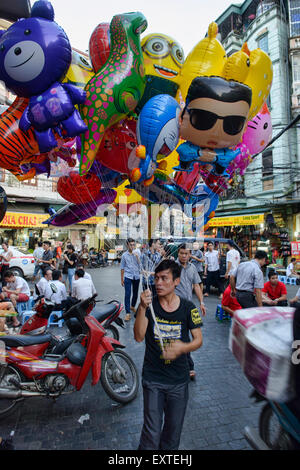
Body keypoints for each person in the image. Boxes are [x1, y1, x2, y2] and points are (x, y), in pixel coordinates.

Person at [134, 259, 203, 450]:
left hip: (179, 382)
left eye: (165, 278)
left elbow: (198, 340)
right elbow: (139, 337)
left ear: (176, 282)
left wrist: (182, 347)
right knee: (151, 434)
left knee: (172, 435)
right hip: (153, 379)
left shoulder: (188, 308)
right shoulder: (150, 305)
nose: (158, 283)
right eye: (156, 278)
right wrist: (141, 308)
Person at [175, 244, 206, 380]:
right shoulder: (172, 267)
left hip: (188, 307)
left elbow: (196, 286)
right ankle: (189, 366)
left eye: (186, 254)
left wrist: (201, 302)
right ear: (178, 253)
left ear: (190, 254)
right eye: (182, 253)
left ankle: (185, 365)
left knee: (185, 335)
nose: (184, 256)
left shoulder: (193, 268)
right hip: (174, 306)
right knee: (182, 336)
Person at [120, 238, 141, 321]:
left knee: (135, 293)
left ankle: (132, 306)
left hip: (136, 276)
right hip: (128, 276)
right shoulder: (124, 255)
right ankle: (127, 313)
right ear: (127, 245)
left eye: (133, 245)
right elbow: (122, 268)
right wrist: (122, 279)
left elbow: (141, 265)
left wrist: (137, 257)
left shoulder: (138, 252)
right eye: (130, 245)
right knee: (127, 294)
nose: (132, 246)